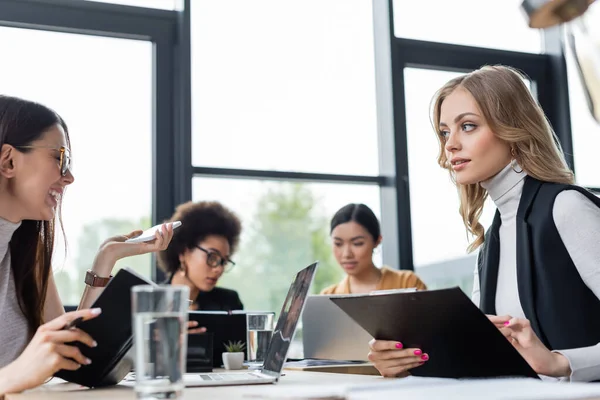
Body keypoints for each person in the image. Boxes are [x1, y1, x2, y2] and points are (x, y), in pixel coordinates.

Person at [368, 65, 600, 381]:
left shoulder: (566, 207)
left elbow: (545, 364)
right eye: (445, 131)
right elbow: (483, 353)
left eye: (468, 126)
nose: (450, 145)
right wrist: (406, 362)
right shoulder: (491, 241)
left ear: (514, 129)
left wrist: (561, 362)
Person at [0, 95, 175, 395]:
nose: (69, 177)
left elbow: (75, 359)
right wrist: (12, 376)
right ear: (9, 161)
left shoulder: (27, 252)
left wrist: (105, 261)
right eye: (60, 158)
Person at [321, 203, 426, 295]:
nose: (347, 254)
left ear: (377, 241)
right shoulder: (328, 296)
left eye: (357, 243)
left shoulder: (408, 283)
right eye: (338, 244)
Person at [158, 200, 243, 312]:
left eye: (224, 261)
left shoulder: (228, 303)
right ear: (183, 252)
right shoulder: (152, 301)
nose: (219, 269)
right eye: (212, 257)